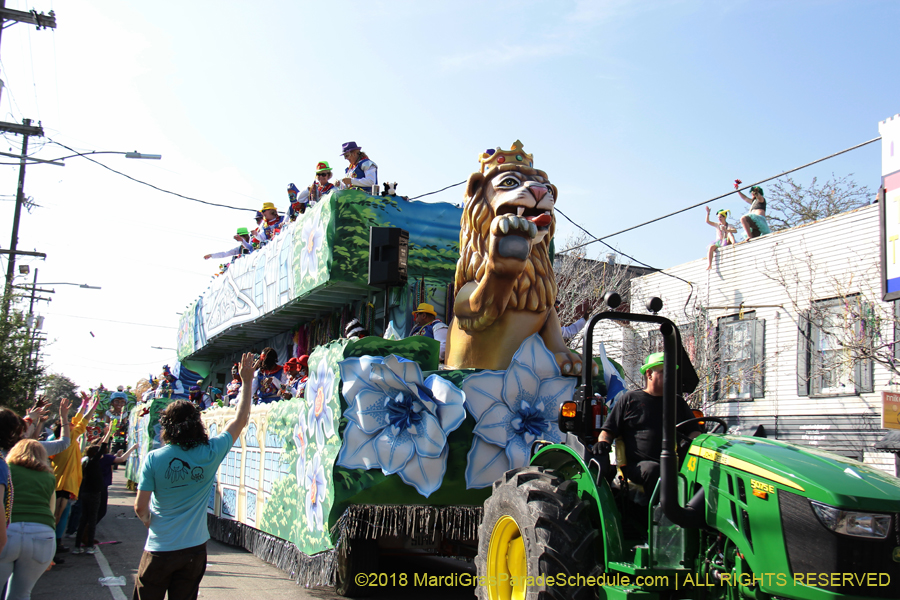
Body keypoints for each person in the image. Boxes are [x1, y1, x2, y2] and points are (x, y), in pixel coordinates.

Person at [132, 353, 254, 600]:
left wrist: (149, 521)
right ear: (198, 423)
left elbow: (140, 507)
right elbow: (241, 419)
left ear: (167, 427)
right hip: (194, 551)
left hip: (159, 548)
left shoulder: (154, 459)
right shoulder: (210, 452)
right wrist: (247, 381)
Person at [597, 352, 701, 498]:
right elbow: (608, 430)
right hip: (639, 466)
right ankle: (663, 511)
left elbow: (695, 431)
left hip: (674, 463)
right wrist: (603, 443)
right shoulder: (630, 400)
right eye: (664, 372)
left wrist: (691, 442)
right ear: (649, 374)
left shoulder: (677, 402)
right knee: (654, 470)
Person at [0, 440, 58, 598]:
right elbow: (51, 510)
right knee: (22, 592)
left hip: (9, 530)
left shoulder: (7, 469)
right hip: (43, 533)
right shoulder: (49, 476)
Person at [50, 396, 97, 560]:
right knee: (56, 518)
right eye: (69, 425)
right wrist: (92, 407)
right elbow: (82, 422)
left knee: (60, 517)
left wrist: (84, 404)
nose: (72, 424)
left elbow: (77, 421)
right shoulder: (68, 440)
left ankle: (56, 544)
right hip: (62, 485)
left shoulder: (57, 441)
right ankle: (51, 551)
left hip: (61, 484)